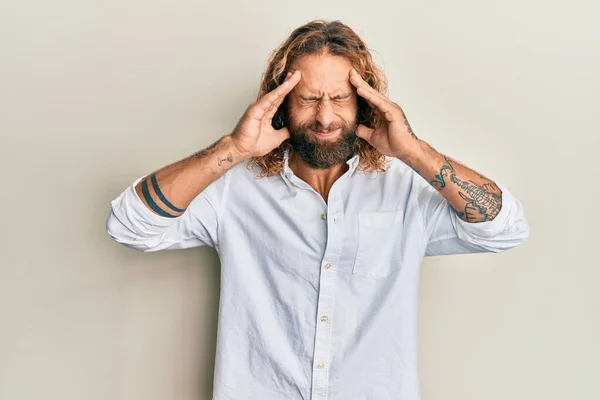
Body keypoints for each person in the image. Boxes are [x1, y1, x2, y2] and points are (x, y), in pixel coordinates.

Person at [106, 19, 529, 400]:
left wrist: (414, 152)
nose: (325, 118)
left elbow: (504, 228)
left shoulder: (405, 191)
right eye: (308, 99)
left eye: (341, 99)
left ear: (365, 103)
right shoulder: (235, 191)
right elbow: (130, 225)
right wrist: (232, 149)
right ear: (280, 104)